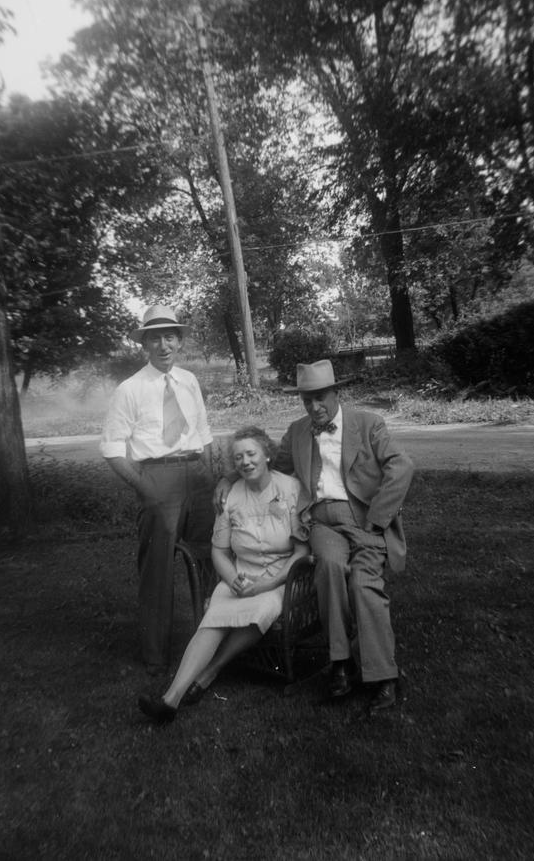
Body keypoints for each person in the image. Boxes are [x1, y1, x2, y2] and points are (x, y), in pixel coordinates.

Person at [218, 359, 414, 715]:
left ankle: (383, 674)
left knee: (364, 585)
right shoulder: (298, 431)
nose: (314, 406)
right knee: (329, 570)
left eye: (320, 397)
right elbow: (267, 464)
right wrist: (229, 477)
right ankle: (340, 662)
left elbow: (401, 466)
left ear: (336, 393)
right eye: (306, 400)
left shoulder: (368, 423)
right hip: (322, 522)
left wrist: (377, 518)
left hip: (365, 519)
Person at [138, 426, 310, 723]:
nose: (245, 462)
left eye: (251, 454)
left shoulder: (291, 489)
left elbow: (301, 551)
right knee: (214, 619)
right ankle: (170, 699)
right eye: (238, 457)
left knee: (262, 608)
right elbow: (219, 551)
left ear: (267, 455)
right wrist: (233, 580)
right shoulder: (230, 496)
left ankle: (211, 670)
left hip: (283, 577)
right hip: (242, 574)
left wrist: (269, 583)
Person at [100, 304, 215, 676]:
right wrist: (146, 488)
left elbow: (203, 433)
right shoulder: (130, 389)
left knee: (210, 559)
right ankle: (156, 654)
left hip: (197, 477)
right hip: (157, 478)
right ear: (144, 344)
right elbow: (112, 449)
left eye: (170, 337)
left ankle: (212, 640)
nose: (164, 345)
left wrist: (209, 477)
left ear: (179, 341)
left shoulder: (189, 380)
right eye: (155, 339)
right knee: (158, 570)